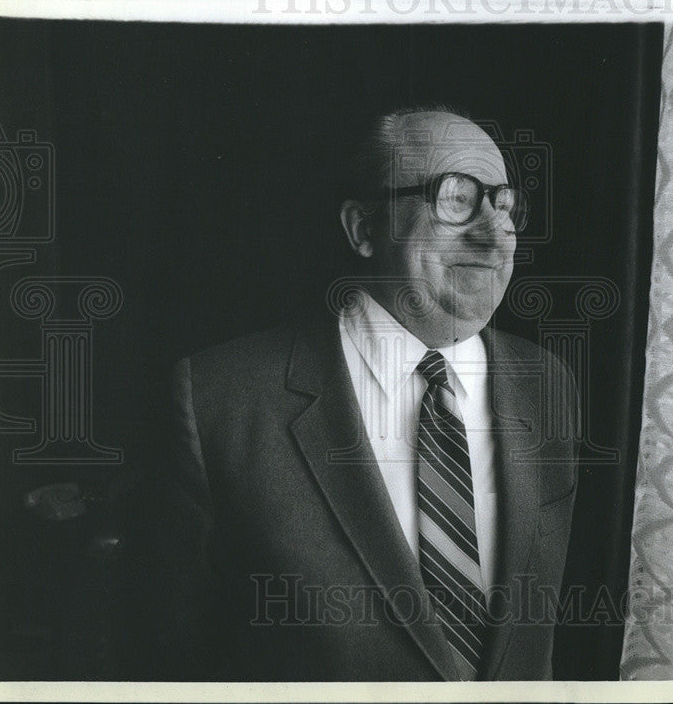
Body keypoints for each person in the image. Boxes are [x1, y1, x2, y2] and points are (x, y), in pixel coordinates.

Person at [151, 106, 580, 681]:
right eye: (457, 197)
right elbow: (167, 655)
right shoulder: (219, 397)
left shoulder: (547, 382)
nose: (495, 232)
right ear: (363, 229)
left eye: (505, 204)